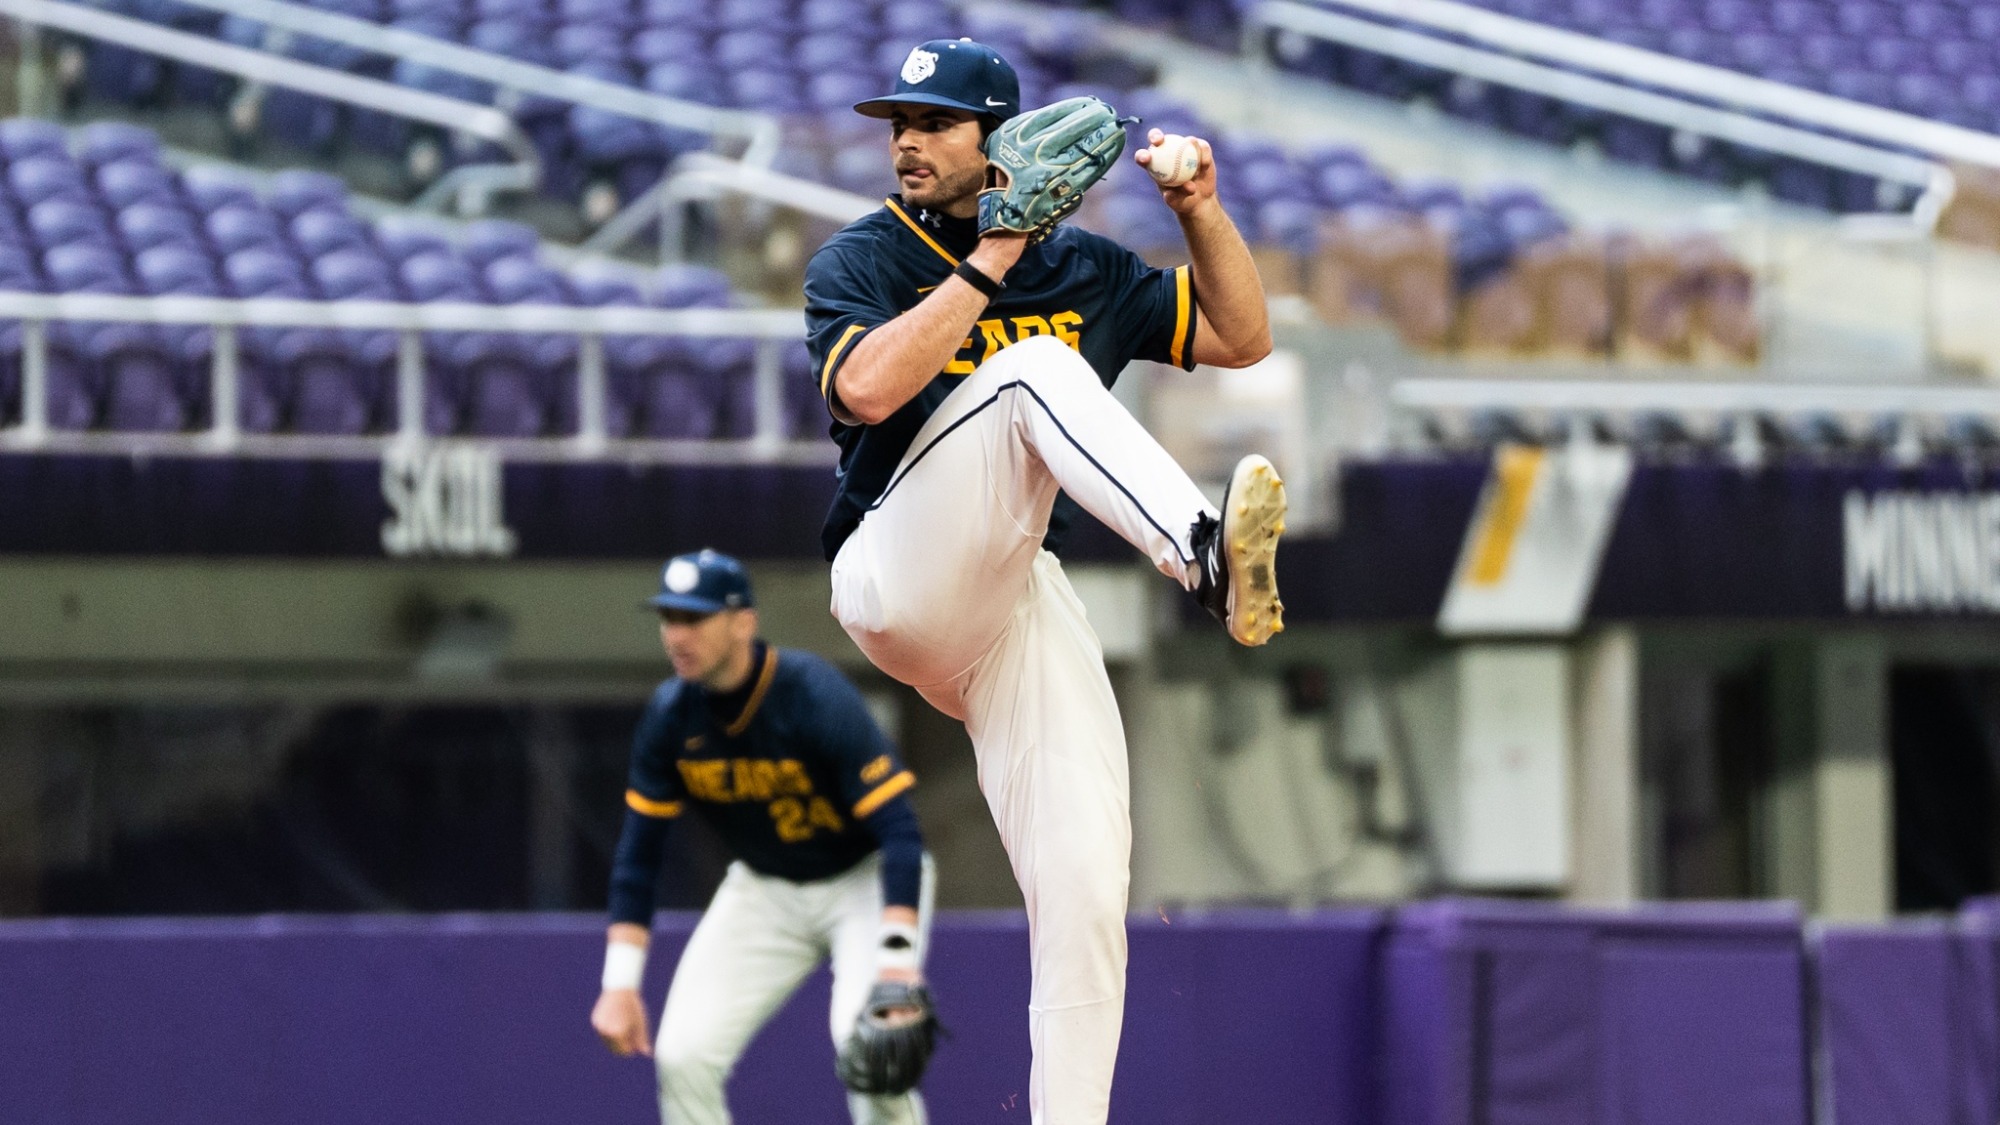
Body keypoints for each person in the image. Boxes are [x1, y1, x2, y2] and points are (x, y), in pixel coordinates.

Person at [801, 37, 1286, 1125]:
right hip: (893, 566)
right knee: (1032, 371)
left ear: (1002, 141)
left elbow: (1242, 337)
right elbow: (866, 391)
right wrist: (993, 256)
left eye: (934, 123)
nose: (907, 142)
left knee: (1085, 879)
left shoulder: (1084, 269)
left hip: (1011, 591)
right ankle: (1203, 554)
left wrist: (1200, 210)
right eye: (899, 124)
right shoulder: (861, 257)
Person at [589, 549, 935, 1125]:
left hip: (863, 879)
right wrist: (619, 984)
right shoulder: (670, 717)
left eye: (694, 618)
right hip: (766, 885)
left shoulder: (811, 693)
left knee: (873, 1053)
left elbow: (899, 830)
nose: (676, 634)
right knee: (682, 1055)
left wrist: (896, 958)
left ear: (743, 622)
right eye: (668, 618)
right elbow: (638, 857)